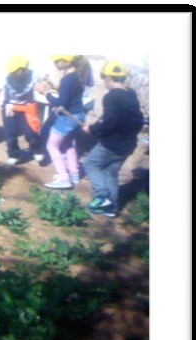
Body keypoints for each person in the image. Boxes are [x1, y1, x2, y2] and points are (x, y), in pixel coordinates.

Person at [81, 60, 145, 218]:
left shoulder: (111, 97)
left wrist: (92, 129)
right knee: (110, 173)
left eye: (104, 78)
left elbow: (109, 123)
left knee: (90, 163)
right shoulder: (131, 95)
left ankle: (101, 197)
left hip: (111, 144)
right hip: (127, 144)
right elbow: (138, 120)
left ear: (109, 78)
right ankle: (112, 207)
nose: (104, 82)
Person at [36, 55, 90, 189]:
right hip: (77, 115)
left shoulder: (67, 79)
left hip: (67, 118)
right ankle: (74, 174)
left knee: (51, 146)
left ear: (66, 61)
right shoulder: (78, 75)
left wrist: (45, 93)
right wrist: (54, 86)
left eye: (57, 59)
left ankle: (63, 178)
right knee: (67, 144)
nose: (55, 62)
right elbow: (69, 94)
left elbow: (61, 103)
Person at [0, 55, 45, 165]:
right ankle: (14, 154)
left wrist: (42, 87)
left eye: (14, 71)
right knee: (10, 134)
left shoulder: (33, 75)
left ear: (22, 69)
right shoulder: (5, 77)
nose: (11, 73)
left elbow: (41, 89)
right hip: (10, 108)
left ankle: (37, 149)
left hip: (27, 108)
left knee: (31, 133)